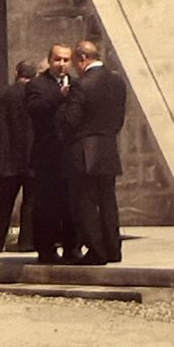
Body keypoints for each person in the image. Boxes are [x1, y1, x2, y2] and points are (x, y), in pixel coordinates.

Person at [58, 39, 127, 265]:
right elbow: (119, 118)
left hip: (84, 151)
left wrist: (65, 101)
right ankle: (113, 250)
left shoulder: (81, 85)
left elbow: (71, 120)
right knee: (108, 202)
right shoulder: (117, 82)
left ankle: (96, 251)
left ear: (82, 59)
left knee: (85, 203)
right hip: (108, 147)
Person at [24, 43, 78, 263]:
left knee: (71, 203)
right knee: (47, 205)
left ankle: (71, 248)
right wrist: (59, 96)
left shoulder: (76, 84)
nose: (62, 64)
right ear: (50, 60)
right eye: (58, 60)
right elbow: (34, 109)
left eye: (66, 60)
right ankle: (46, 249)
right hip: (47, 155)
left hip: (70, 154)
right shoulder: (37, 85)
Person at [0, 59, 37, 253]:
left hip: (7, 156)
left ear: (16, 73)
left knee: (3, 200)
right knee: (30, 200)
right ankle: (27, 241)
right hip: (32, 156)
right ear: (34, 76)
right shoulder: (35, 96)